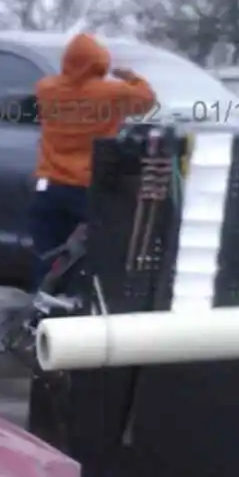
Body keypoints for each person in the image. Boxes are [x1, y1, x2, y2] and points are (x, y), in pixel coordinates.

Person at [29, 33, 156, 288]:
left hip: (49, 186)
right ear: (100, 62)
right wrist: (130, 76)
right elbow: (147, 100)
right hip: (87, 188)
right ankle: (76, 309)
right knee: (88, 256)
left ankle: (43, 306)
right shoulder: (110, 92)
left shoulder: (46, 89)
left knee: (48, 253)